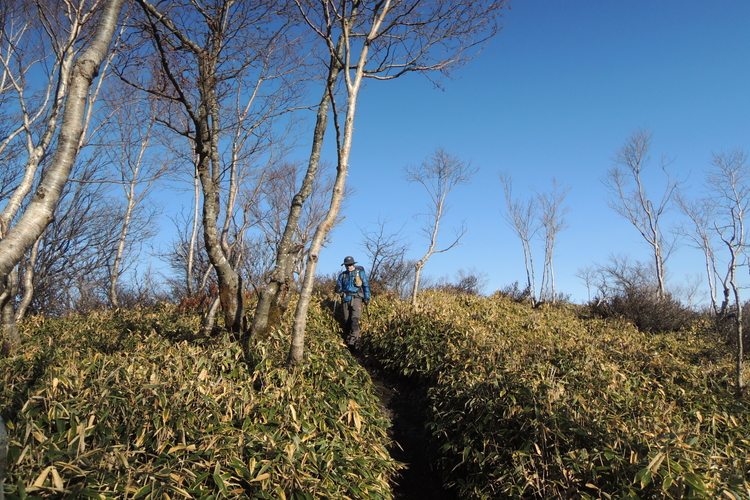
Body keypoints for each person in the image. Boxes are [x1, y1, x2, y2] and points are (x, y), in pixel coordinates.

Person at [335, 256, 370, 347]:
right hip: (345, 299)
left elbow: (366, 285)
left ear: (353, 264)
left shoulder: (360, 273)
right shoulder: (342, 275)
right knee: (346, 321)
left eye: (350, 265)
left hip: (357, 298)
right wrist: (338, 288)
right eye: (347, 265)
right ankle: (348, 339)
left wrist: (367, 297)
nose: (349, 266)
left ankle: (353, 340)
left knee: (354, 320)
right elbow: (339, 286)